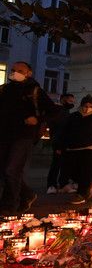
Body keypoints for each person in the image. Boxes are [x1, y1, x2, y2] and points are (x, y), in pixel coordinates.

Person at [0, 62, 57, 213]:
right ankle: (26, 194)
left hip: (24, 135)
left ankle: (10, 204)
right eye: (13, 70)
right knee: (4, 170)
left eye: (20, 70)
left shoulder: (34, 91)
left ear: (28, 73)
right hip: (4, 134)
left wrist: (37, 119)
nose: (15, 73)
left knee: (12, 170)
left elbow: (53, 111)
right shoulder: (4, 89)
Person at [59, 96, 92, 205]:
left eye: (90, 106)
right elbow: (65, 132)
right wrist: (60, 146)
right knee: (73, 170)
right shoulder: (74, 116)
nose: (87, 109)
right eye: (85, 106)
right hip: (74, 148)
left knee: (86, 171)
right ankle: (90, 184)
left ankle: (81, 194)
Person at [46, 93, 75, 194]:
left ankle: (63, 184)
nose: (72, 103)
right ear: (63, 100)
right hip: (59, 142)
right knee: (56, 164)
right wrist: (58, 145)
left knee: (64, 164)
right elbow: (57, 129)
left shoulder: (66, 111)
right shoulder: (58, 111)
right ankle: (52, 185)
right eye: (70, 101)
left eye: (73, 101)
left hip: (65, 142)